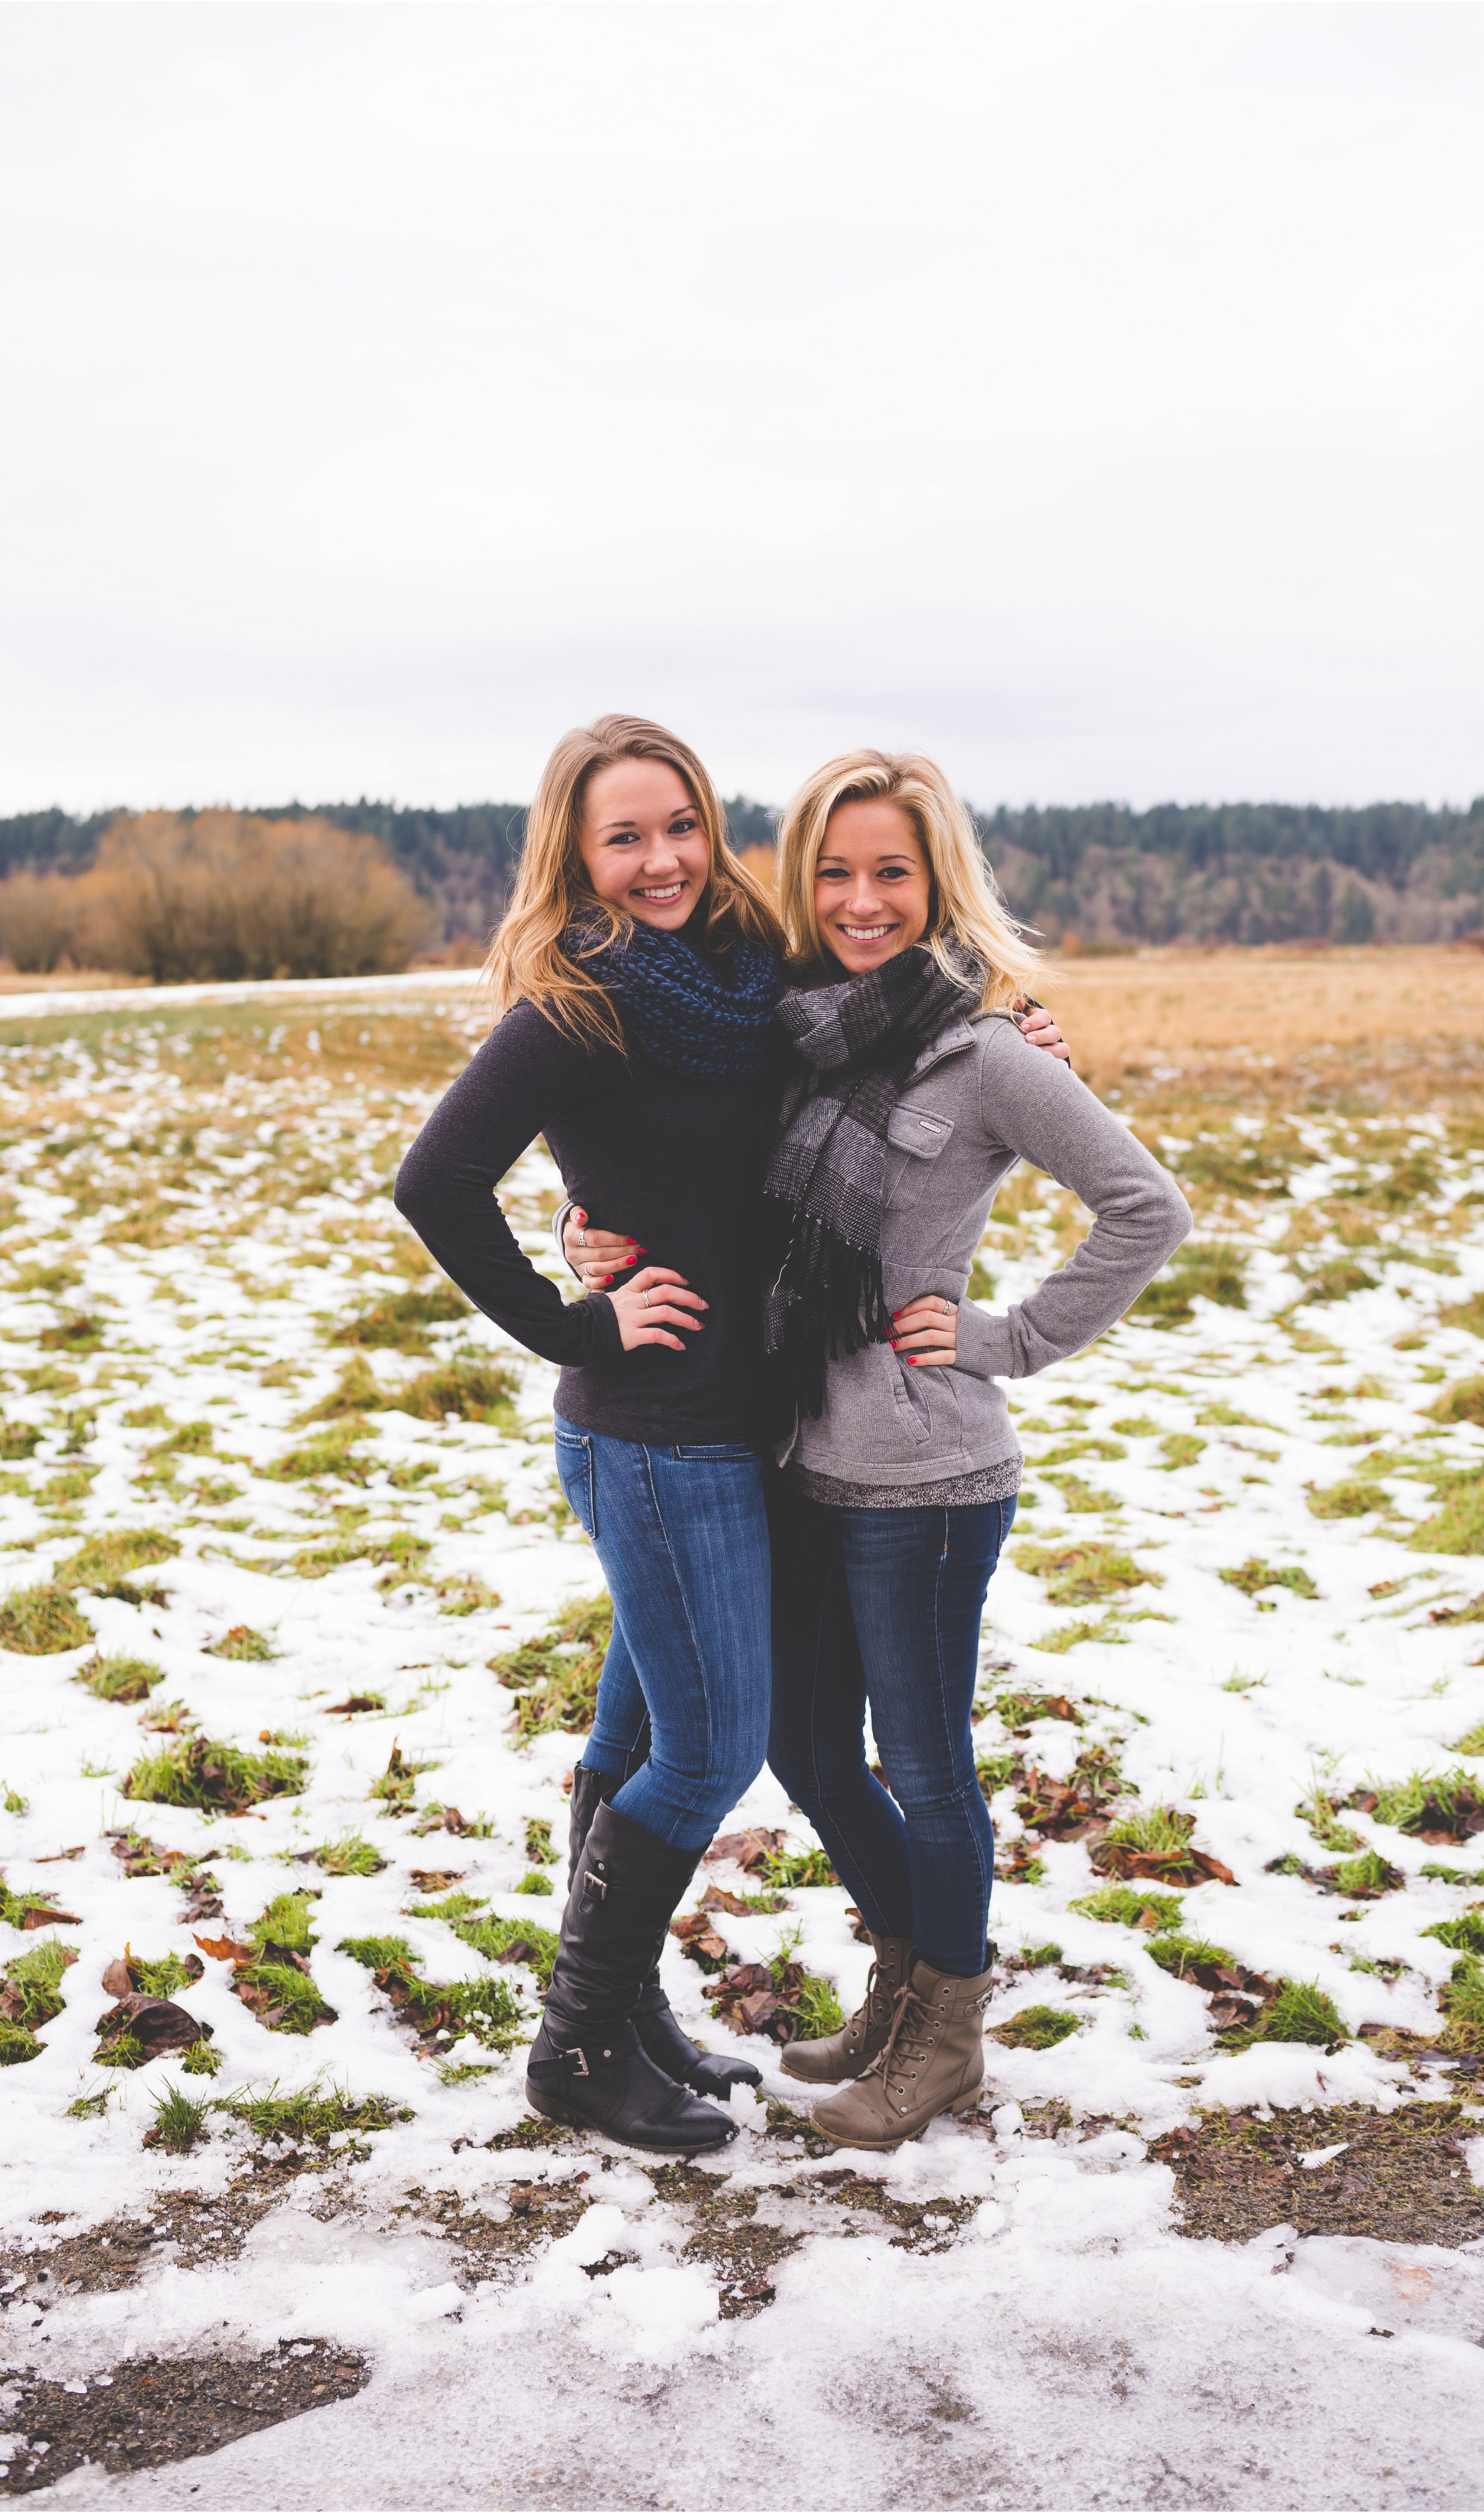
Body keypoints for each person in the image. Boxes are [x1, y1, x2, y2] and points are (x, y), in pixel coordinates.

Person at [397, 717, 1068, 2157]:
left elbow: (892, 1046)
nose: (658, 860)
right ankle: (576, 2043)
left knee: (636, 1731)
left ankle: (622, 2014)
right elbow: (436, 1182)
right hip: (656, 1431)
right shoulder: (571, 1004)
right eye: (622, 837)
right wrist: (574, 1314)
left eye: (679, 828)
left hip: (743, 1426)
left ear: (712, 831)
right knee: (705, 1756)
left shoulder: (755, 983)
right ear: (574, 855)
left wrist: (1019, 1042)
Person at [577, 751, 1189, 2151]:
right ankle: (908, 1984)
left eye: (891, 872)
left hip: (924, 1480)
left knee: (921, 1764)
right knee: (798, 1739)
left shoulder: (981, 1053)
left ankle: (945, 2038)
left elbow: (1142, 1208)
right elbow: (694, 1186)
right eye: (837, 871)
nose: (861, 900)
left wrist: (1006, 1336)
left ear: (936, 882)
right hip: (794, 1454)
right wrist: (585, 1236)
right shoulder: (784, 1029)